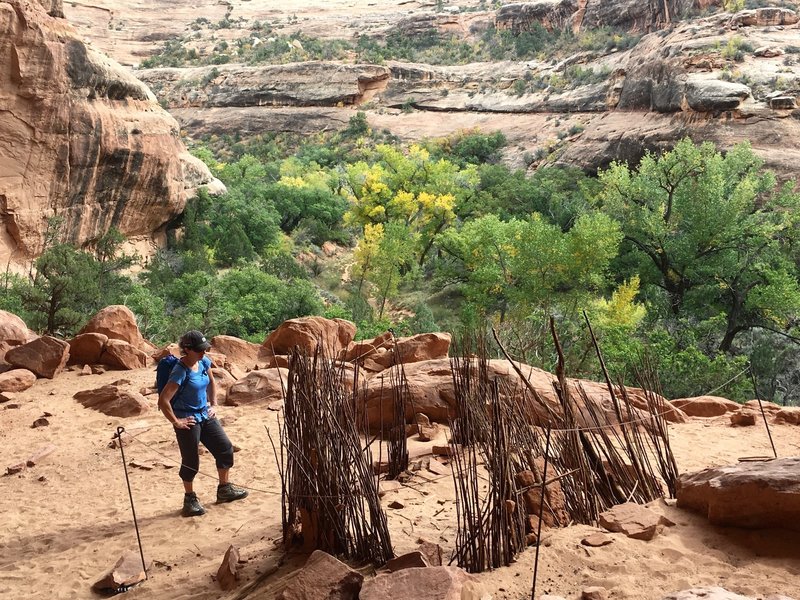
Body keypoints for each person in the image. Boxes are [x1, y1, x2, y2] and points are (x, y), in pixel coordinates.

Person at [158, 330, 248, 517]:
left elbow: (211, 382)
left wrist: (213, 403)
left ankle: (224, 489)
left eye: (205, 349)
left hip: (205, 415)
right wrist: (176, 421)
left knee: (225, 448)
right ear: (187, 349)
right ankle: (189, 499)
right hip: (188, 420)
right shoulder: (179, 371)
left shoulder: (203, 362)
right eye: (199, 350)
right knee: (191, 461)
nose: (203, 353)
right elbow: (163, 400)